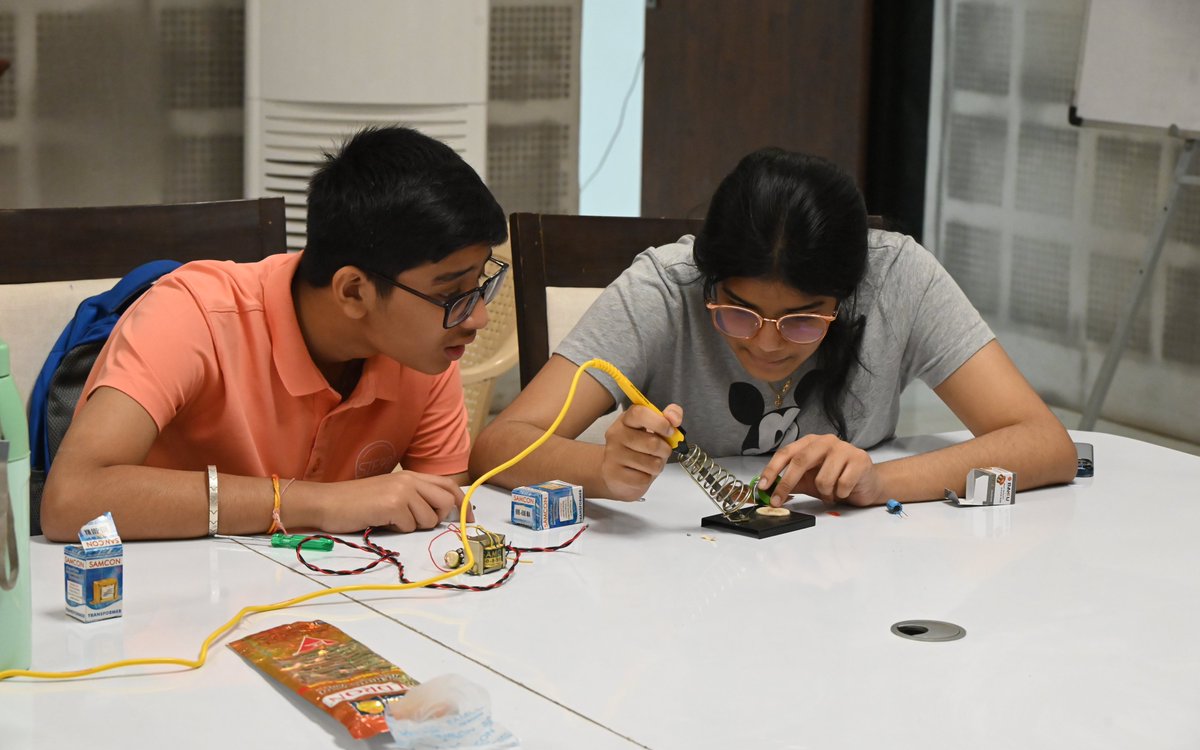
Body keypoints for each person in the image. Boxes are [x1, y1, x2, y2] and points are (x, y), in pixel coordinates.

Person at [470, 147, 1077, 507]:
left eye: (803, 321)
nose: (765, 342)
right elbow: (498, 445)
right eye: (738, 312)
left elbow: (1045, 446)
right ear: (707, 280)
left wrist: (875, 480)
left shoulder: (899, 279)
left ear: (844, 297)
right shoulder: (664, 288)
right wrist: (599, 470)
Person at [41, 126, 508, 541]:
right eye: (452, 293)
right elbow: (70, 501)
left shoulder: (423, 348)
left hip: (327, 607)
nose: (477, 318)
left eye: (480, 285)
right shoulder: (194, 315)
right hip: (167, 609)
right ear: (353, 290)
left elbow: (444, 523)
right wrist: (319, 503)